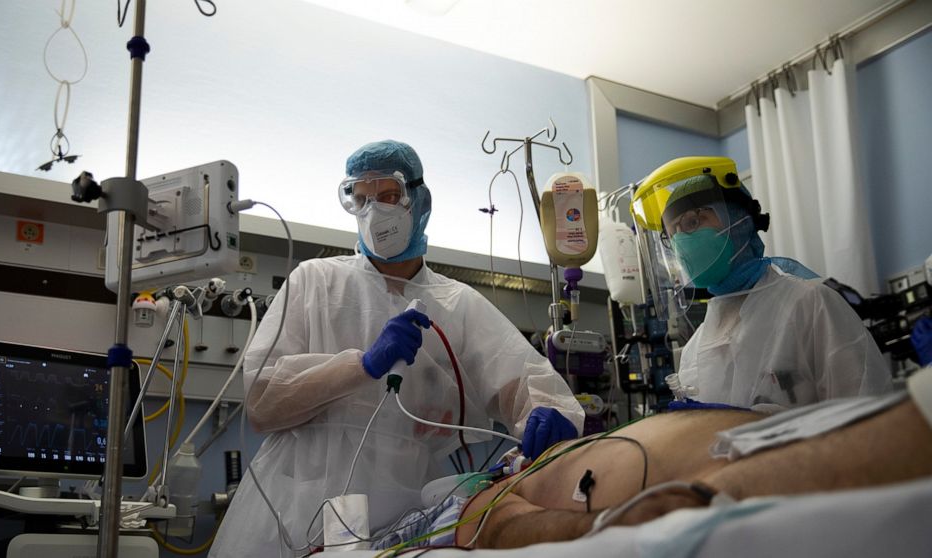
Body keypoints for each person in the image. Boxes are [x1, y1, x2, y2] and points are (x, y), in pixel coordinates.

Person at [209, 140, 584, 558]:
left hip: (406, 514)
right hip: (292, 510)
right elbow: (262, 402)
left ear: (419, 200)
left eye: (388, 196)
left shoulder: (456, 304)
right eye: (361, 199)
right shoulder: (315, 281)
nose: (374, 212)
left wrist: (550, 413)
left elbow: (522, 379)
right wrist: (362, 366)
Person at [434, 365, 931, 549]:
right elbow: (493, 527)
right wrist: (599, 526)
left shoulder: (547, 455)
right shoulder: (493, 489)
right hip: (713, 480)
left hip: (766, 435)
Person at [631, 157, 892, 410]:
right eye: (672, 234)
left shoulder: (811, 304)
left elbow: (867, 413)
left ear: (739, 220)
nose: (681, 242)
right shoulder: (694, 348)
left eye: (692, 222)